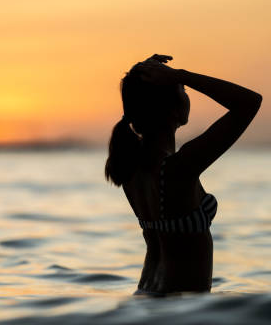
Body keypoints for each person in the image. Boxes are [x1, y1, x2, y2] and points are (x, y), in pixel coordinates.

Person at [105, 54, 262, 296]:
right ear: (170, 107)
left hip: (148, 301)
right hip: (178, 309)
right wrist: (180, 74)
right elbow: (249, 103)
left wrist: (142, 80)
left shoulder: (132, 172)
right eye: (184, 90)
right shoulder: (179, 168)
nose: (188, 94)